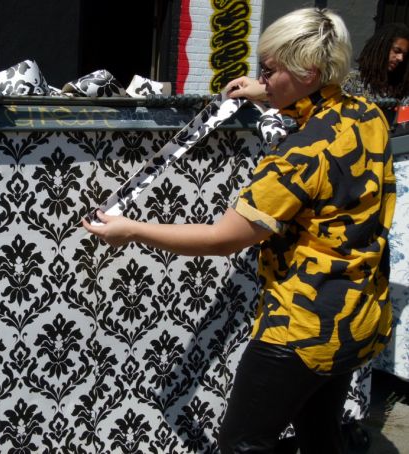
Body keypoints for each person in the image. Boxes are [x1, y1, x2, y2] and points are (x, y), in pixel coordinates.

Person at [82, 7, 396, 454]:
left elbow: (223, 238)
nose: (260, 79)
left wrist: (132, 230)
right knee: (319, 432)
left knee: (243, 443)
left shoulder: (299, 156)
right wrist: (266, 94)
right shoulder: (366, 115)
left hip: (300, 327)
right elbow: (319, 117)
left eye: (268, 71)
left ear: (308, 72)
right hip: (356, 314)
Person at [343, 23, 409, 126]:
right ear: (382, 47)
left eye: (404, 55)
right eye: (396, 51)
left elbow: (404, 126)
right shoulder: (351, 80)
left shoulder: (401, 89)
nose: (400, 58)